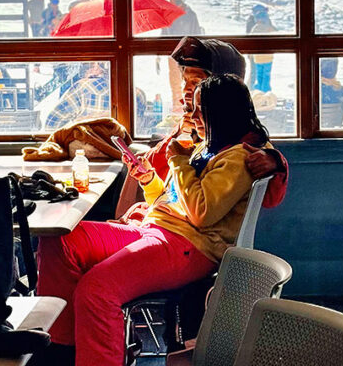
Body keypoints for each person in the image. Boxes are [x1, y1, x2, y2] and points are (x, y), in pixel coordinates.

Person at [37, 74, 284, 366]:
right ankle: (63, 350)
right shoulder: (207, 146)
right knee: (60, 239)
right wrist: (150, 179)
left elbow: (201, 213)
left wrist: (177, 160)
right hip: (154, 229)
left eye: (199, 111)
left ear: (222, 113)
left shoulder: (239, 157)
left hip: (189, 246)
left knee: (96, 290)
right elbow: (169, 202)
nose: (191, 116)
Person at [116, 36, 288, 222]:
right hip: (158, 214)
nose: (187, 89)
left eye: (196, 82)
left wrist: (276, 163)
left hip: (188, 236)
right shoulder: (189, 123)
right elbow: (156, 172)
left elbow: (270, 197)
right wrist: (179, 135)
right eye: (185, 81)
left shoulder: (242, 138)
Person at [162, 0, 202, 113]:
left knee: (189, 83)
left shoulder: (191, 16)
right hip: (173, 55)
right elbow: (164, 34)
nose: (170, 1)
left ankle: (190, 109)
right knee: (175, 83)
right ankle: (177, 109)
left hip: (188, 55)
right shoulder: (168, 14)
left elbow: (196, 35)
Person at [45, 62, 110, 130]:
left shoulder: (86, 87)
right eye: (88, 67)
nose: (91, 70)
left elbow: (52, 123)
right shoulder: (88, 88)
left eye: (91, 66)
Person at [246, 4, 276, 92]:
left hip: (258, 54)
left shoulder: (254, 23)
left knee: (256, 73)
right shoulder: (261, 22)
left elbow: (249, 36)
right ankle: (259, 91)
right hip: (264, 55)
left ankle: (254, 91)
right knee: (263, 74)